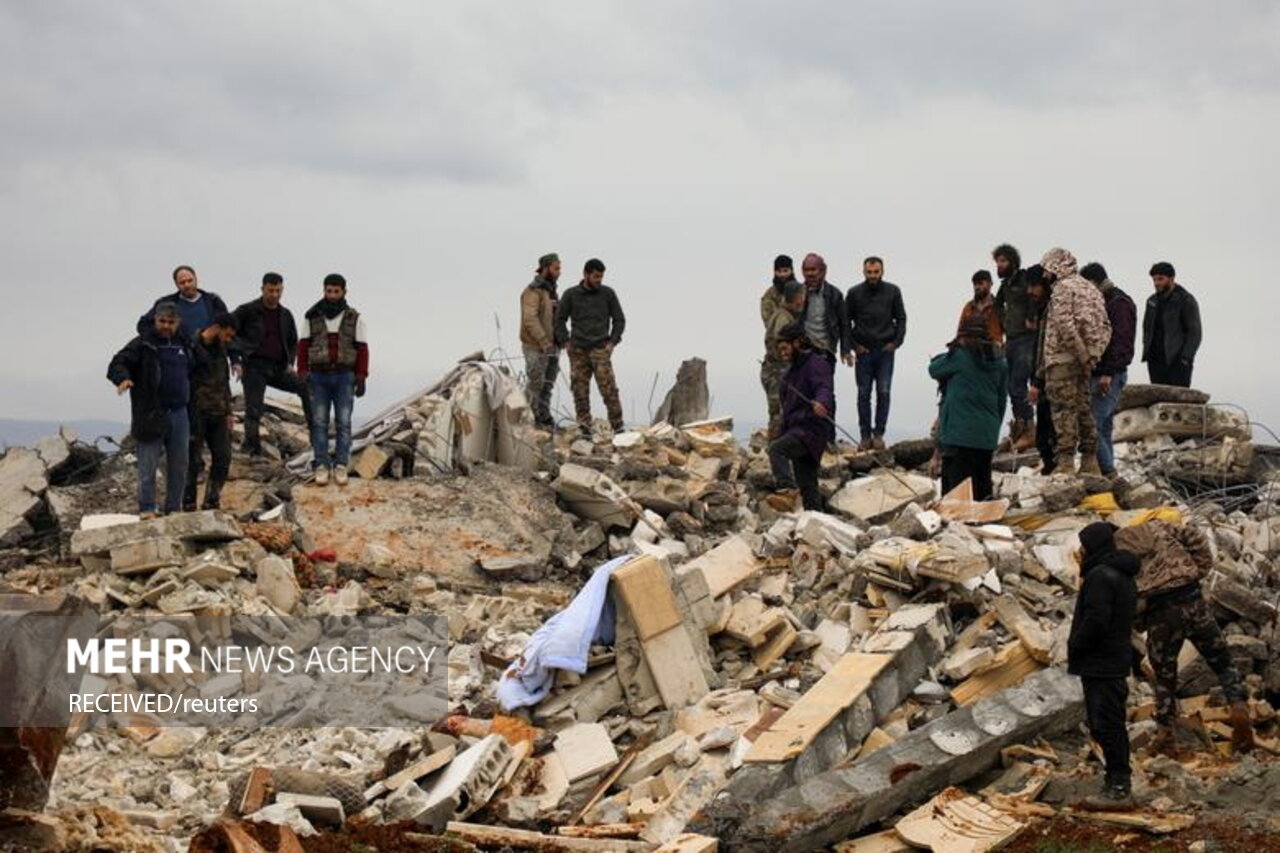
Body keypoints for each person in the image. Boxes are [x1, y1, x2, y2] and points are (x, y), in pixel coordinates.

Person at [1113, 519, 1254, 754]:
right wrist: (1199, 569)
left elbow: (1126, 597)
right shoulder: (1156, 527)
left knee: (1164, 676)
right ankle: (1239, 708)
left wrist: (1139, 622)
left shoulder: (1116, 555)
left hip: (1161, 613)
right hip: (1193, 598)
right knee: (1222, 661)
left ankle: (1166, 735)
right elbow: (1194, 535)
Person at [1068, 522, 1140, 811]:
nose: (1080, 552)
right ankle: (1115, 780)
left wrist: (1076, 644)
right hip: (1112, 660)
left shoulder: (1100, 576)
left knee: (1107, 724)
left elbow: (1097, 620)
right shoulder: (1120, 574)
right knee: (1108, 722)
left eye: (1084, 546)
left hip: (1102, 662)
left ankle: (1119, 787)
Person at [108, 303, 192, 517]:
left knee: (179, 464)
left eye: (170, 323)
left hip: (180, 412)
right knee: (148, 465)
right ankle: (147, 507)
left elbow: (198, 369)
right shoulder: (143, 344)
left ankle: (174, 507)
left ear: (178, 323)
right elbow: (118, 362)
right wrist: (123, 378)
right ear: (155, 320)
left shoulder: (185, 342)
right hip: (151, 412)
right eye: (162, 321)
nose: (166, 326)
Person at [1038, 248, 1111, 476]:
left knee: (1063, 411)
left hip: (1062, 361)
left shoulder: (1062, 289)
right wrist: (1093, 355)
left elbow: (1064, 324)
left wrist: (1081, 354)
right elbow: (1107, 326)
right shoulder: (1091, 289)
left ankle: (1067, 464)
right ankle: (1090, 462)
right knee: (1084, 410)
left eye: (1047, 269)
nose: (1044, 275)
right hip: (1084, 363)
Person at [297, 273, 368, 486]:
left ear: (344, 292)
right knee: (319, 423)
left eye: (337, 291)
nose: (333, 295)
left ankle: (340, 465)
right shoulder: (312, 316)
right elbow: (303, 345)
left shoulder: (354, 318)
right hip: (318, 376)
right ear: (324, 291)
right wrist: (302, 371)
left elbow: (362, 349)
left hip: (345, 377)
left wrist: (361, 376)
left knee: (343, 423)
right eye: (329, 291)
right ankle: (321, 464)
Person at [231, 272, 312, 455]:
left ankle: (317, 438)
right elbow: (230, 333)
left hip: (278, 366)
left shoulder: (285, 314)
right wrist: (236, 360)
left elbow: (293, 341)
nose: (274, 295)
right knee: (253, 409)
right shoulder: (247, 310)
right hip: (253, 366)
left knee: (306, 386)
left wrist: (291, 361)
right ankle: (252, 449)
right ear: (262, 289)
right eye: (270, 290)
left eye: (278, 291)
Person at [929, 314, 1008, 500]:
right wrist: (993, 429)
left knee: (955, 499)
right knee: (982, 492)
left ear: (962, 336)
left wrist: (951, 349)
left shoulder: (959, 356)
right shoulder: (1000, 363)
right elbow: (1001, 402)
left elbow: (933, 368)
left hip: (958, 438)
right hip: (986, 437)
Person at [555, 258, 626, 436]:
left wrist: (612, 342)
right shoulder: (571, 294)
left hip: (601, 349)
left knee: (609, 391)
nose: (598, 280)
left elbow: (619, 319)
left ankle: (618, 428)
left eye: (601, 277)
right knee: (580, 391)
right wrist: (565, 342)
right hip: (578, 350)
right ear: (585, 274)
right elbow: (559, 319)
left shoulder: (608, 294)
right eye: (595, 277)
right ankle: (585, 429)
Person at [768, 323, 835, 512]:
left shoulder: (816, 364)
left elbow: (824, 387)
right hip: (796, 430)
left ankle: (787, 491)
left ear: (797, 343)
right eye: (780, 349)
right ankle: (818, 522)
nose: (782, 353)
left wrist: (822, 403)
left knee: (776, 450)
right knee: (808, 485)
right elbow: (787, 409)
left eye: (785, 348)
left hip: (810, 431)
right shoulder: (789, 373)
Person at [1080, 263, 1137, 477]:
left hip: (1109, 374)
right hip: (1101, 372)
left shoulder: (1117, 303)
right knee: (1103, 427)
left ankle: (1109, 472)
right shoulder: (1106, 301)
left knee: (1092, 426)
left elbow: (1121, 341)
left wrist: (1108, 372)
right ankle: (1107, 472)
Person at [845, 256, 907, 449]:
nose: (873, 275)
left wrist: (896, 342)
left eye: (876, 272)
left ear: (882, 271)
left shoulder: (893, 291)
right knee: (863, 394)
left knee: (884, 391)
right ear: (863, 272)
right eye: (869, 272)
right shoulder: (854, 293)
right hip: (864, 351)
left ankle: (878, 434)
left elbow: (901, 318)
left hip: (885, 351)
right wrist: (854, 346)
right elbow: (846, 322)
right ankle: (865, 436)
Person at [184, 313, 236, 511]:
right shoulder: (192, 346)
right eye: (227, 335)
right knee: (192, 460)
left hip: (219, 411)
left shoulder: (221, 348)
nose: (228, 340)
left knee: (223, 457)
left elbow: (224, 381)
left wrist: (229, 411)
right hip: (196, 410)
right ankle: (188, 503)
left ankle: (212, 500)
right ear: (217, 327)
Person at [993, 244, 1037, 451]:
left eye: (1003, 261)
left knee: (1019, 384)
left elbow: (1034, 297)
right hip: (1011, 338)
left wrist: (1030, 317)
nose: (999, 265)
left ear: (1012, 262)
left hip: (1026, 338)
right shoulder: (1006, 285)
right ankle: (1020, 427)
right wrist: (1002, 325)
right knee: (1011, 386)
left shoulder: (1024, 278)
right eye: (997, 261)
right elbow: (997, 304)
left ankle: (1030, 429)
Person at [1142, 262, 1202, 388]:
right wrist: (1147, 353)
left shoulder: (1185, 299)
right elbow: (1147, 329)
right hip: (1155, 361)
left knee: (1177, 402)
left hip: (1177, 361)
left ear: (1171, 278)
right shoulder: (1152, 301)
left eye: (1160, 279)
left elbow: (1195, 332)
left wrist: (1185, 358)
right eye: (1154, 279)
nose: (1156, 283)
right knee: (1158, 401)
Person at [138, 265, 229, 346]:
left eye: (190, 281)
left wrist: (235, 360)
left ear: (196, 279)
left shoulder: (213, 301)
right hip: (180, 355)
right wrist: (159, 341)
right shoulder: (165, 303)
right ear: (176, 284)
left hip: (211, 354)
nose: (187, 285)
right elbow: (143, 325)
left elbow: (228, 330)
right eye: (182, 282)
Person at [520, 253, 562, 430]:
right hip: (536, 346)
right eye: (555, 268)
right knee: (536, 382)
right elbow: (530, 319)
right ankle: (529, 417)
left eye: (559, 268)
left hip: (553, 346)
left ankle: (544, 417)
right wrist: (543, 340)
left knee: (548, 383)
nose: (559, 272)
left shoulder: (550, 291)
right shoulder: (532, 291)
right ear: (545, 269)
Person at [1024, 265, 1059, 472]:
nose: (1030, 291)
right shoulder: (1042, 309)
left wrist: (1037, 382)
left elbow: (1049, 349)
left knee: (1050, 434)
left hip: (1051, 380)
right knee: (1044, 435)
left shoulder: (1054, 310)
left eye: (1034, 286)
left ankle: (1055, 470)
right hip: (1042, 378)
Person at [761, 280, 807, 439]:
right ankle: (776, 449)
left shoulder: (786, 315)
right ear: (797, 298)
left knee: (781, 412)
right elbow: (782, 346)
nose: (803, 300)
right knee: (779, 414)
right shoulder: (783, 318)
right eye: (801, 296)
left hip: (778, 371)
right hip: (777, 372)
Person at [798, 253, 850, 371]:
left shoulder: (835, 294)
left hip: (826, 351)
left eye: (813, 270)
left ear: (822, 271)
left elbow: (844, 324)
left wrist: (845, 350)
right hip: (802, 351)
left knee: (824, 388)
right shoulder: (797, 293)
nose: (810, 274)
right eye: (806, 270)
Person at [957, 269, 1004, 346]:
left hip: (992, 351)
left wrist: (1001, 346)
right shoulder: (968, 307)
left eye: (980, 283)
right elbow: (960, 331)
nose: (977, 287)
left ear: (990, 284)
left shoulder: (998, 307)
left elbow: (1009, 331)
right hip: (970, 350)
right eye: (975, 284)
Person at [760, 254, 796, 332]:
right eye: (779, 271)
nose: (782, 275)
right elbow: (768, 320)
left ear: (791, 271)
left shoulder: (801, 291)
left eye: (785, 271)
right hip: (777, 336)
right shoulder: (769, 295)